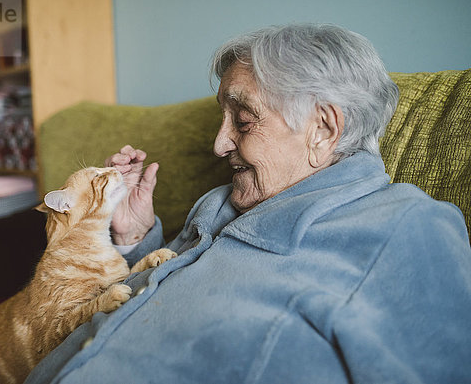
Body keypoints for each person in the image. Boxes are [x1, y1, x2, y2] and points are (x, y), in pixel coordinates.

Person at [26, 24, 471, 383]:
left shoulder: (408, 226)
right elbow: (154, 297)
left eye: (242, 120)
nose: (220, 144)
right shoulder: (220, 202)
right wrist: (132, 234)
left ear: (323, 129)